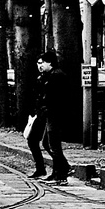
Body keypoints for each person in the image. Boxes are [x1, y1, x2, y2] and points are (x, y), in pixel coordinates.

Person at [26, 50, 72, 184]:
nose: (39, 66)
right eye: (38, 63)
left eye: (42, 63)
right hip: (47, 113)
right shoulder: (46, 76)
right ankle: (58, 171)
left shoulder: (56, 76)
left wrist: (45, 108)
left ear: (49, 63)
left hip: (53, 114)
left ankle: (61, 174)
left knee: (52, 143)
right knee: (45, 142)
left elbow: (54, 98)